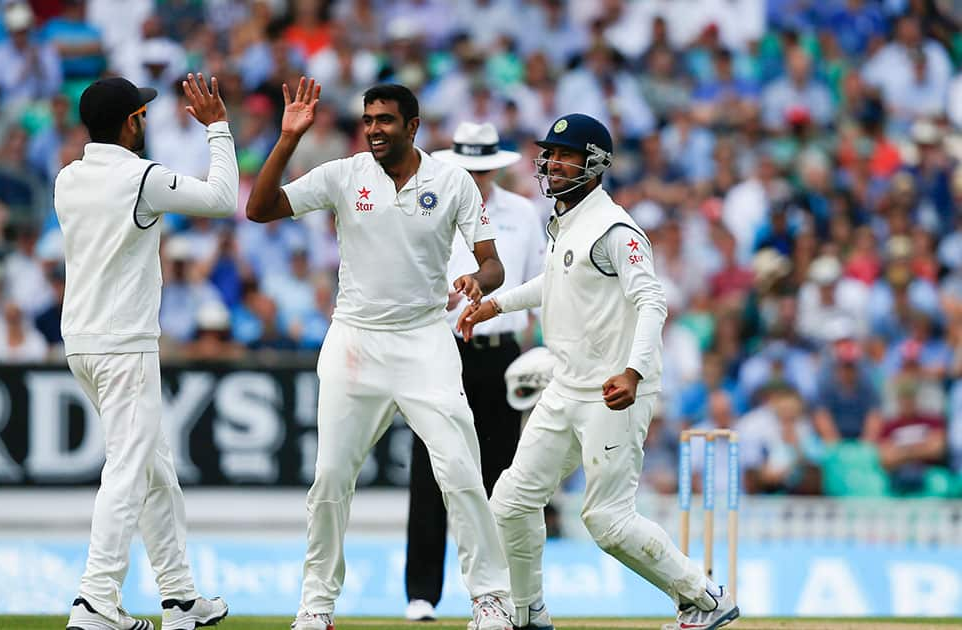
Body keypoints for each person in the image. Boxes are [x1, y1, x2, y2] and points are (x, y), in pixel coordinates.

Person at [245, 78, 516, 630]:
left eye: (385, 120)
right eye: (368, 120)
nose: (373, 129)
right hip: (355, 341)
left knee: (461, 470)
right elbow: (259, 208)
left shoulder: (453, 180)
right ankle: (316, 606)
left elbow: (494, 265)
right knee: (329, 478)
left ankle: (490, 599)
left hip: (425, 340)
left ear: (412, 126)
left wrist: (474, 281)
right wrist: (289, 138)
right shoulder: (345, 175)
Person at [459, 114, 740, 630]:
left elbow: (652, 301)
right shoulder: (566, 222)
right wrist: (496, 307)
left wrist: (633, 373)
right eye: (550, 153)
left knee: (607, 521)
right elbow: (555, 283)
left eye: (566, 155)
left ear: (596, 165)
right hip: (567, 386)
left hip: (614, 392)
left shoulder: (615, 229)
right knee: (512, 501)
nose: (553, 163)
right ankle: (527, 612)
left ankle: (705, 598)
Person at [55, 74, 236, 630]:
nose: (145, 122)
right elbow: (225, 200)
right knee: (130, 471)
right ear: (131, 122)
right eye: (141, 115)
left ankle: (180, 599)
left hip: (82, 343)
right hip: (125, 346)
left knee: (155, 473)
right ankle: (95, 600)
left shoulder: (67, 178)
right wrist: (218, 130)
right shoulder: (141, 178)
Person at [403, 121, 546, 622]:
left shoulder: (523, 214)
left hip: (499, 348)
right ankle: (422, 593)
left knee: (501, 474)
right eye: (468, 168)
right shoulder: (433, 205)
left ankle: (498, 593)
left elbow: (534, 285)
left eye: (484, 169)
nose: (476, 177)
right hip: (441, 347)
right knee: (431, 469)